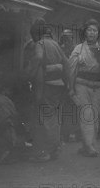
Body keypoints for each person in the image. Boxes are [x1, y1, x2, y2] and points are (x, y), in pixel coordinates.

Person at [23, 18, 70, 163]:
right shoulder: (55, 44)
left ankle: (45, 152)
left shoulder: (40, 44)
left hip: (45, 86)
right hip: (58, 86)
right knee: (54, 118)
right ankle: (54, 149)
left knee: (44, 119)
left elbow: (38, 57)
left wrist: (29, 72)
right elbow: (66, 63)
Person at [68, 19, 100, 157]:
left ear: (98, 33)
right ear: (85, 32)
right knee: (86, 114)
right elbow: (71, 69)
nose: (92, 33)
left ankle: (87, 145)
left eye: (95, 30)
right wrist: (71, 87)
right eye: (89, 30)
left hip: (97, 86)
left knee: (95, 116)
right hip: (82, 85)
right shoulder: (79, 48)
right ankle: (90, 146)